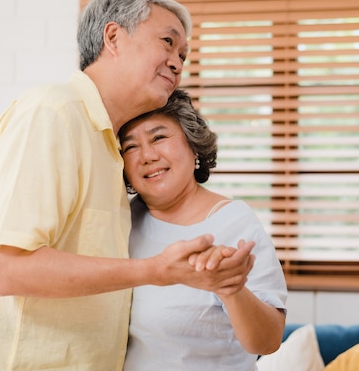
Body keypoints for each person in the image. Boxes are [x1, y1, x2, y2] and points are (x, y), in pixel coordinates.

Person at [0, 0, 254, 371]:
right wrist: (155, 271)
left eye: (183, 55)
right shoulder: (53, 114)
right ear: (113, 37)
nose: (177, 62)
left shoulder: (111, 148)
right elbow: (9, 269)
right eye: (167, 42)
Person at [118, 89, 288, 370]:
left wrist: (231, 289)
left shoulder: (233, 222)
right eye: (130, 146)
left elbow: (267, 341)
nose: (147, 155)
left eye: (159, 137)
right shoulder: (122, 220)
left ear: (192, 145)